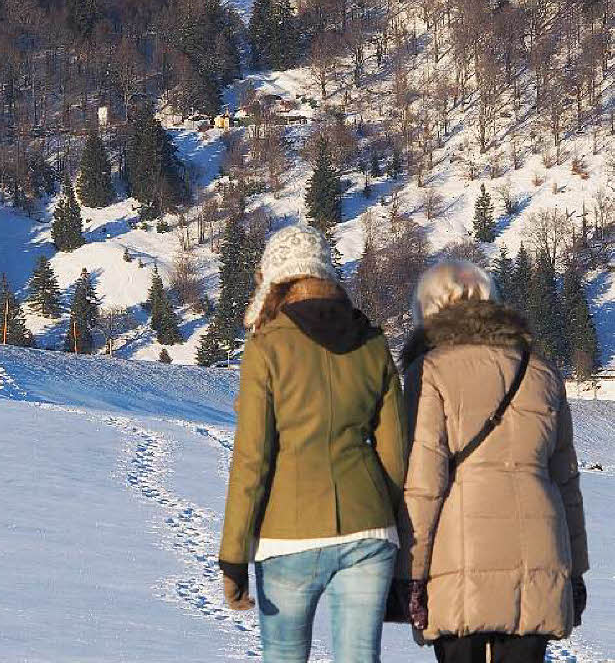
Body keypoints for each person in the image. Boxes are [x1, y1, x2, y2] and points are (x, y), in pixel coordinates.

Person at [218, 223, 406, 663]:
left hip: (288, 534)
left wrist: (233, 556)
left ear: (276, 281)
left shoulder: (266, 347)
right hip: (369, 529)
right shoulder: (373, 343)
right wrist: (388, 518)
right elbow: (396, 453)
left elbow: (252, 459)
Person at [398, 260, 589, 663]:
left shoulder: (429, 370)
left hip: (459, 553)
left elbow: (423, 482)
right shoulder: (541, 372)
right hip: (542, 550)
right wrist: (576, 571)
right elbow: (567, 482)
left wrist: (410, 574)